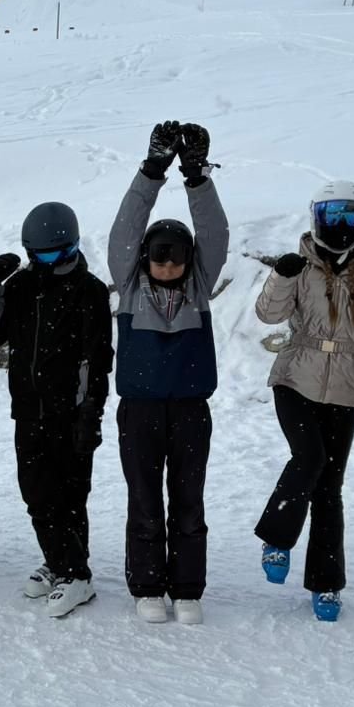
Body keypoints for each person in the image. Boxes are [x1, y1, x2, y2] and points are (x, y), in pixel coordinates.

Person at [253, 180, 354, 623]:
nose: (340, 225)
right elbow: (267, 314)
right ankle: (277, 537)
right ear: (316, 217)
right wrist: (281, 277)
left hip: (346, 382)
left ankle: (326, 584)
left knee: (330, 489)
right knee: (309, 458)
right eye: (332, 215)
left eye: (349, 216)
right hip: (295, 374)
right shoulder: (300, 264)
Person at [106, 121, 230, 625]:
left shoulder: (199, 287)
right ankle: (148, 585)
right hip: (138, 410)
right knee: (143, 498)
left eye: (175, 258)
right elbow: (126, 227)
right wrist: (153, 169)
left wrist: (197, 175)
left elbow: (214, 232)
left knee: (188, 498)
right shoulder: (131, 286)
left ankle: (187, 588)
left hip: (189, 410)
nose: (166, 265)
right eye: (158, 257)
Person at [0, 202, 114, 617]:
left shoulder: (89, 290)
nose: (47, 263)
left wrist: (92, 412)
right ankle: (58, 563)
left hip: (70, 412)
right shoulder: (21, 286)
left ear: (72, 247)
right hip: (28, 410)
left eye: (55, 254)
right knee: (36, 493)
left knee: (70, 495)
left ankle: (78, 574)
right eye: (39, 255)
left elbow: (99, 358)